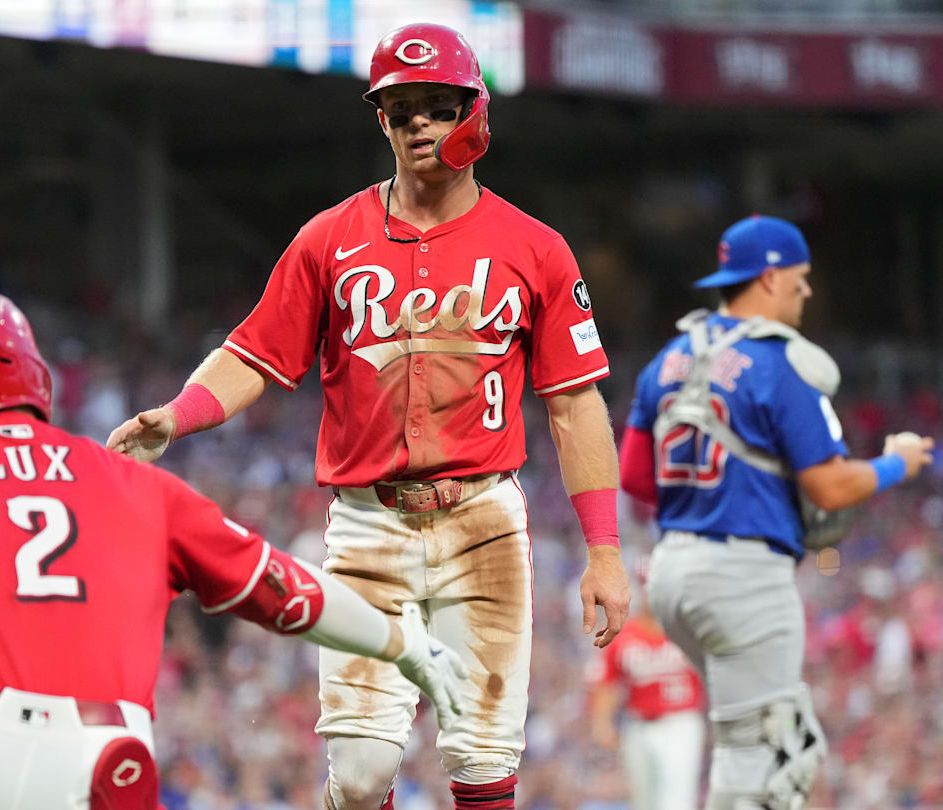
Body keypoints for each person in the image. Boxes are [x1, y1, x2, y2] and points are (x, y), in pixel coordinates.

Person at [106, 22, 630, 810]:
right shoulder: (331, 237)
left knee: (485, 763)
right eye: (400, 108)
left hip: (483, 518)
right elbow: (254, 353)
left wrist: (605, 550)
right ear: (380, 120)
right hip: (367, 522)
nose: (419, 123)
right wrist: (178, 415)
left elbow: (575, 404)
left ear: (475, 112)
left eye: (438, 106)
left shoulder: (536, 248)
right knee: (358, 775)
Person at [0, 290, 475, 810]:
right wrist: (403, 642)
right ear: (34, 375)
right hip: (108, 755)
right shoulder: (130, 479)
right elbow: (285, 590)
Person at [618, 214, 935, 809]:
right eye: (799, 277)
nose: (806, 290)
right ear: (769, 278)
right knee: (772, 757)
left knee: (748, 741)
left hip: (672, 575)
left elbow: (635, 477)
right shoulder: (778, 360)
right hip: (742, 579)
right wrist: (896, 462)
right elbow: (831, 488)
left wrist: (711, 503)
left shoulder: (668, 358)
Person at [586, 560, 705, 810]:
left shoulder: (688, 629)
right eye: (645, 586)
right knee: (644, 803)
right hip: (638, 725)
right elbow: (606, 682)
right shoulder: (624, 634)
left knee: (677, 802)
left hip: (680, 723)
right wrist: (602, 722)